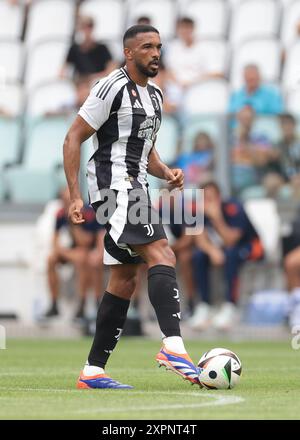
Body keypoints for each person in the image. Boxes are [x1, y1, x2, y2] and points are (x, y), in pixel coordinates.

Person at [63, 24, 201, 389]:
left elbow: (144, 150)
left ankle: (93, 371)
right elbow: (74, 136)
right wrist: (74, 194)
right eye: (146, 47)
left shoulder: (155, 95)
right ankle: (173, 346)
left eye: (158, 46)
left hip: (137, 186)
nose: (155, 53)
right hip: (115, 189)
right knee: (162, 253)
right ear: (128, 53)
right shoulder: (110, 86)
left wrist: (166, 171)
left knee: (123, 280)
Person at [189, 181, 264, 330]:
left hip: (246, 247)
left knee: (230, 254)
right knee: (198, 256)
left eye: (211, 197)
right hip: (219, 249)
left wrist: (217, 218)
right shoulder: (197, 211)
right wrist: (212, 251)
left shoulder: (234, 208)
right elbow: (199, 239)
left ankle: (230, 305)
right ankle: (204, 305)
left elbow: (231, 240)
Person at [42, 187, 105, 320]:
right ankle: (54, 304)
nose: (65, 204)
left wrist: (72, 223)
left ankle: (82, 304)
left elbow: (85, 242)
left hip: (88, 249)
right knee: (50, 259)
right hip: (72, 250)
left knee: (82, 258)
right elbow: (55, 241)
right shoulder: (60, 214)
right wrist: (63, 251)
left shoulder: (88, 212)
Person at [164, 17, 224, 94]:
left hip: (200, 88)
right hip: (175, 88)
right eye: (181, 28)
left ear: (193, 29)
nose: (184, 32)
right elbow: (167, 71)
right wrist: (178, 83)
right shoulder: (173, 47)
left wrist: (192, 83)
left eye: (187, 28)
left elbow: (217, 73)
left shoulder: (207, 47)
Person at [230, 105, 280, 194]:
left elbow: (260, 161)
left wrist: (245, 142)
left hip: (251, 175)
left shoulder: (261, 137)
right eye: (243, 118)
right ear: (238, 118)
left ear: (254, 119)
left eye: (249, 118)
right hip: (230, 175)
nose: (246, 122)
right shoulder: (228, 137)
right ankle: (200, 208)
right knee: (204, 184)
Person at [60, 16, 116, 81]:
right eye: (83, 26)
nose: (86, 30)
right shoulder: (74, 49)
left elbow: (111, 70)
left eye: (89, 26)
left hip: (99, 84)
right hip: (80, 86)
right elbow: (62, 71)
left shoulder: (102, 48)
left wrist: (93, 78)